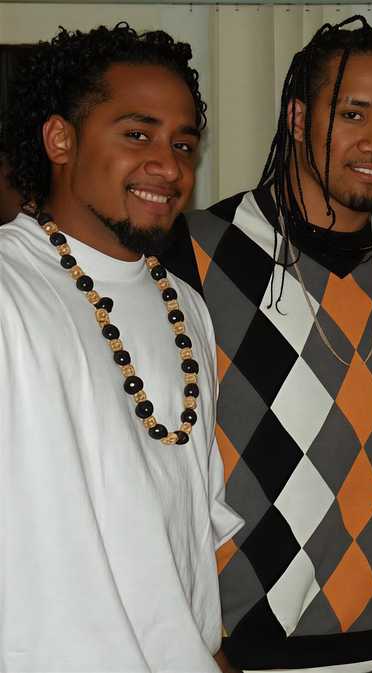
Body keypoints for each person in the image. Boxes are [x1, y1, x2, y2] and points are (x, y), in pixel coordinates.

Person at [163, 16, 372, 673]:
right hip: (245, 647)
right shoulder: (196, 250)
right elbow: (157, 468)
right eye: (353, 114)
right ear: (296, 116)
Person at [0, 23, 240, 671]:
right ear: (60, 139)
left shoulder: (186, 307)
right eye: (138, 134)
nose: (168, 164)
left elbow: (184, 528)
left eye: (184, 143)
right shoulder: (8, 287)